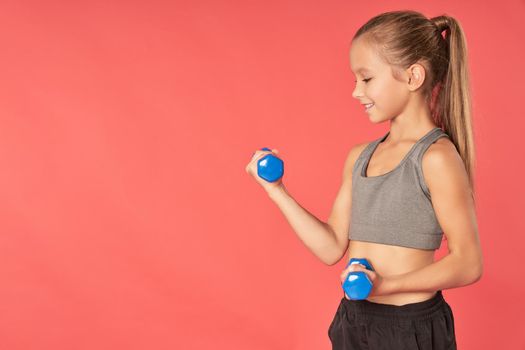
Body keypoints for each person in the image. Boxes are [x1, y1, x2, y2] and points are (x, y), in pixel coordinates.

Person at [245, 10, 483, 350]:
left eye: (366, 79)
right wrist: (276, 190)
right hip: (354, 319)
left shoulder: (436, 158)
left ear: (413, 76)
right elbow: (331, 248)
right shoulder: (360, 156)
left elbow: (468, 263)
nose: (356, 92)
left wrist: (384, 285)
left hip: (410, 327)